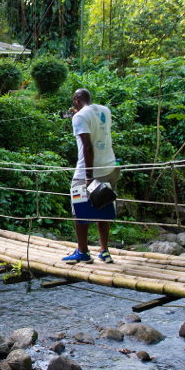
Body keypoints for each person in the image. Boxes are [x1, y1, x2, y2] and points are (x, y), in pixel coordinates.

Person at [62, 88, 121, 264]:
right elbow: (97, 128)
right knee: (104, 206)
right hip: (109, 167)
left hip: (87, 170)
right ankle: (104, 251)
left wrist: (88, 175)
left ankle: (83, 252)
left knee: (80, 209)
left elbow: (88, 146)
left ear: (76, 99)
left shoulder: (80, 117)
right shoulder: (105, 110)